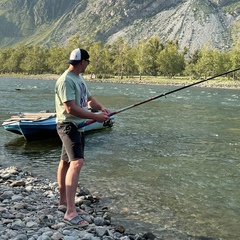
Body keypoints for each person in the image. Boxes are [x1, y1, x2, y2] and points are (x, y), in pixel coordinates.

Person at [55, 48, 110, 227]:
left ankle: (64, 203)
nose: (87, 65)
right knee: (77, 162)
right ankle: (71, 212)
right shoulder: (65, 80)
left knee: (65, 162)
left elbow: (88, 99)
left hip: (77, 126)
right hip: (68, 126)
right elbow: (70, 108)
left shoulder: (79, 79)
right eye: (87, 62)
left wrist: (101, 108)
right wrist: (95, 117)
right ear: (82, 62)